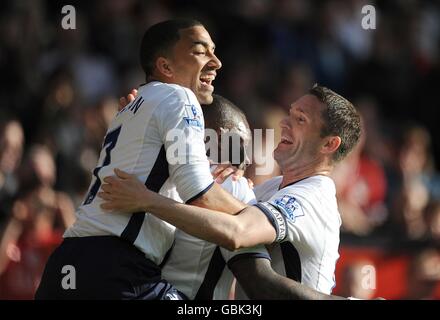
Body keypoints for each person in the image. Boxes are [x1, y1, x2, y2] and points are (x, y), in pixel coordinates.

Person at [35, 19, 250, 300]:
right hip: (116, 271)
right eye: (200, 51)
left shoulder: (131, 107)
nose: (217, 62)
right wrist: (255, 216)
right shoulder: (180, 96)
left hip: (68, 261)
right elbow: (198, 193)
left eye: (214, 50)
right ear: (166, 67)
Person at [99, 84, 362, 298]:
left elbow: (238, 232)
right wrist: (142, 124)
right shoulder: (271, 188)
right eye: (290, 113)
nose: (284, 122)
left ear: (329, 144)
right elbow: (227, 208)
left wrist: (147, 200)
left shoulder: (311, 198)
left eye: (300, 119)